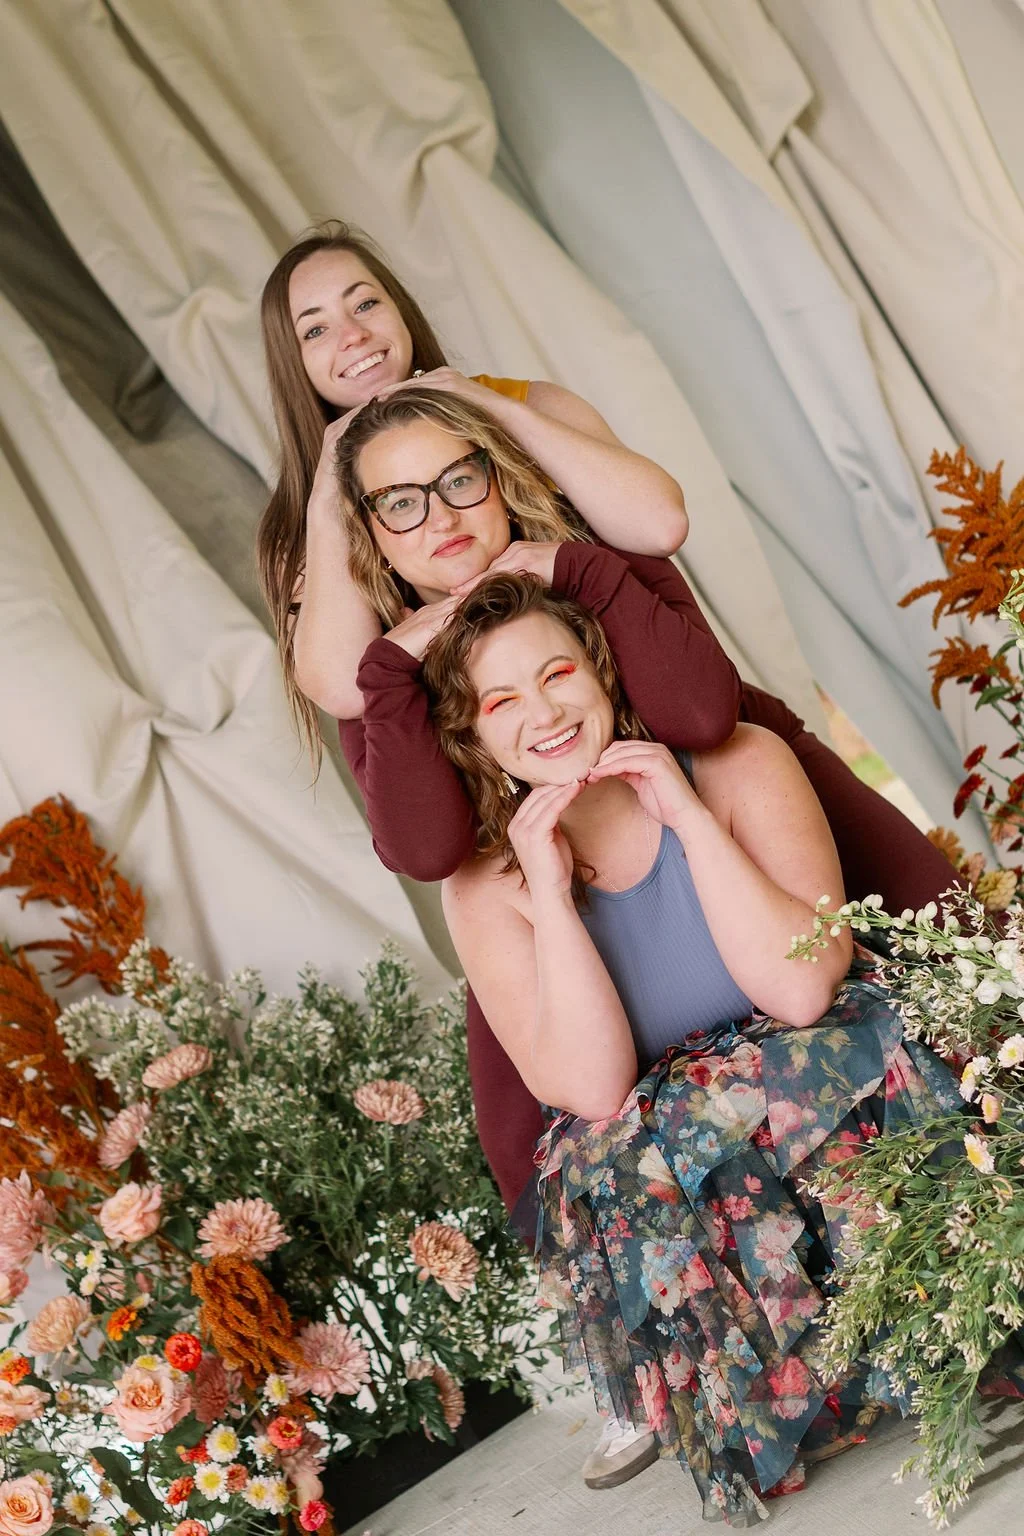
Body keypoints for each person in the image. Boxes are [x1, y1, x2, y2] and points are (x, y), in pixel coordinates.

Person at [421, 572, 966, 1526]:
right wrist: (549, 892)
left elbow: (801, 987)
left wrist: (684, 815)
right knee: (618, 1147)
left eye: (559, 675)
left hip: (805, 1057)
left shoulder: (738, 762)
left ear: (601, 673)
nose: (544, 713)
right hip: (676, 1122)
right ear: (473, 738)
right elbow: (593, 1084)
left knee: (828, 1045)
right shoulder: (481, 887)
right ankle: (803, 1389)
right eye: (502, 700)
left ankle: (933, 1318)